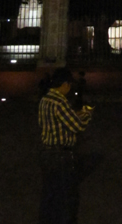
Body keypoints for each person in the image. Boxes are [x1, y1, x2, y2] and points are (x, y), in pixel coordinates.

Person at [38, 67, 93, 224]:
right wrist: (87, 114)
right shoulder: (59, 102)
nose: (69, 88)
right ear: (63, 84)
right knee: (67, 195)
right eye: (69, 84)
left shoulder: (44, 100)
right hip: (60, 155)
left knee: (49, 193)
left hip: (46, 153)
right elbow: (77, 126)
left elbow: (54, 122)